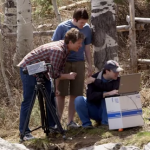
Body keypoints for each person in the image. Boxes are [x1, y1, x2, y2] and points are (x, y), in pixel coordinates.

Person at [17, 28, 84, 140]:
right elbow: (55, 73)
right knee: (28, 100)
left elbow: (56, 70)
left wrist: (56, 88)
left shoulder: (65, 50)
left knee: (51, 96)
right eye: (79, 43)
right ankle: (24, 133)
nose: (80, 46)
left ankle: (52, 126)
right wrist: (69, 76)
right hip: (28, 70)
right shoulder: (58, 50)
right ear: (71, 42)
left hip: (41, 70)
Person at [52, 8, 92, 128]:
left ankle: (70, 122)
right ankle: (57, 122)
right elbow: (54, 46)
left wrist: (90, 64)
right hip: (63, 62)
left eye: (85, 22)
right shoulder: (62, 27)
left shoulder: (87, 29)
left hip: (79, 62)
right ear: (74, 19)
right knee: (61, 93)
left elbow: (87, 48)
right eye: (81, 22)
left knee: (76, 93)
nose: (83, 25)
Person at [74, 60, 123, 128]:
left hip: (110, 112)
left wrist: (95, 81)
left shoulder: (118, 79)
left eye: (118, 71)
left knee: (109, 96)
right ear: (107, 71)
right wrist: (104, 94)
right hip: (95, 110)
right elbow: (90, 97)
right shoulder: (94, 77)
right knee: (78, 99)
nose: (117, 73)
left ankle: (105, 123)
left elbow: (110, 87)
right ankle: (87, 125)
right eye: (115, 71)